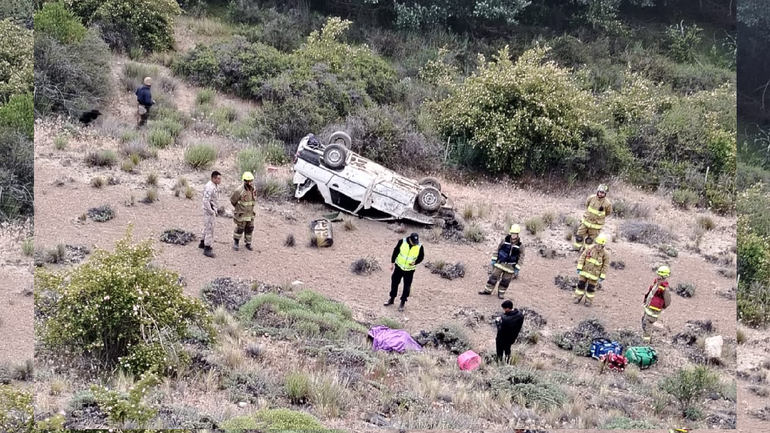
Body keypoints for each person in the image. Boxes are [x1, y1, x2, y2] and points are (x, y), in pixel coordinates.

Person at [479, 224, 523, 299]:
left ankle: (501, 293)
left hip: (510, 267)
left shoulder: (520, 245)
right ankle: (487, 291)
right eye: (512, 233)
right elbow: (498, 249)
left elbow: (521, 257)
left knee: (505, 281)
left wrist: (517, 268)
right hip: (500, 263)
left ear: (517, 234)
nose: (513, 235)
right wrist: (494, 259)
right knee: (493, 277)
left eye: (515, 234)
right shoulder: (505, 240)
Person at [385, 232, 424, 312]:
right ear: (410, 239)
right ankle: (392, 299)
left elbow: (421, 257)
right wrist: (392, 263)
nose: (415, 244)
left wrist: (415, 262)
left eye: (416, 242)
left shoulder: (419, 246)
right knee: (394, 283)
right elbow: (395, 251)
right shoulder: (402, 242)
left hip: (410, 270)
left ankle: (402, 302)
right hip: (399, 267)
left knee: (407, 287)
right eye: (413, 242)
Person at [573, 233, 610, 307]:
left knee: (591, 288)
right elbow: (582, 257)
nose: (598, 246)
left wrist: (602, 276)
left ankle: (588, 301)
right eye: (597, 244)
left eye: (600, 245)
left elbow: (605, 266)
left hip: (594, 275)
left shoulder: (606, 254)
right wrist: (579, 267)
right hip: (584, 271)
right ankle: (577, 297)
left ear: (603, 245)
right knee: (580, 285)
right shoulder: (589, 248)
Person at [574, 184, 613, 251]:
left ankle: (587, 252)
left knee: (589, 240)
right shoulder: (591, 198)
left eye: (602, 193)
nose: (600, 194)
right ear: (597, 191)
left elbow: (608, 212)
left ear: (605, 193)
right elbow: (587, 205)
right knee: (579, 236)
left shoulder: (607, 203)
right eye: (600, 192)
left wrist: (599, 217)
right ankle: (577, 249)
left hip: (595, 226)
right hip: (585, 222)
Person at [642, 266, 672, 344]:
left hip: (653, 311)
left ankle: (646, 343)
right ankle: (647, 339)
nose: (658, 276)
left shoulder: (664, 287)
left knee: (647, 325)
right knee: (644, 323)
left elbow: (668, 301)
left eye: (660, 275)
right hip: (648, 308)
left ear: (664, 275)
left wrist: (661, 306)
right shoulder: (656, 282)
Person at [230, 171, 257, 251]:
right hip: (241, 214)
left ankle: (248, 243)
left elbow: (254, 200)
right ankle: (236, 242)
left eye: (251, 180)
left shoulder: (253, 189)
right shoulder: (239, 190)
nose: (250, 182)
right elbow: (233, 201)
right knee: (240, 229)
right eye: (249, 181)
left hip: (250, 214)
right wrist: (239, 208)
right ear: (245, 181)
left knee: (250, 228)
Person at [198, 171, 221, 258]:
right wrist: (211, 210)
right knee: (210, 229)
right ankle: (207, 248)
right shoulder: (210, 187)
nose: (219, 180)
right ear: (213, 178)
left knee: (207, 227)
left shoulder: (214, 186)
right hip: (209, 211)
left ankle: (202, 242)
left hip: (211, 209)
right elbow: (205, 200)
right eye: (218, 179)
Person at [495, 300, 524, 364]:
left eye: (504, 309)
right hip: (512, 338)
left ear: (508, 308)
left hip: (502, 338)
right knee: (507, 349)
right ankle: (508, 361)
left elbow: (500, 329)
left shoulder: (506, 320)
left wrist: (498, 322)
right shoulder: (520, 315)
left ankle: (499, 362)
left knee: (499, 351)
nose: (504, 310)